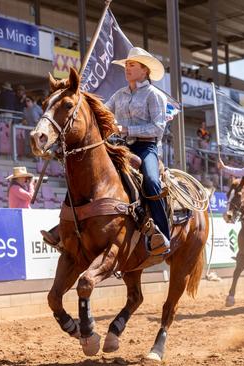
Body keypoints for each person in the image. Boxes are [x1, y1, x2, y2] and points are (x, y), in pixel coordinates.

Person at [105, 47, 170, 255]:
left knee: (151, 180)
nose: (127, 68)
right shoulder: (119, 95)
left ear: (144, 70)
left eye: (132, 65)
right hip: (120, 147)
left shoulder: (154, 95)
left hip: (145, 147)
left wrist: (127, 129)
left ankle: (162, 234)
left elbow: (158, 128)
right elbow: (104, 114)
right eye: (126, 65)